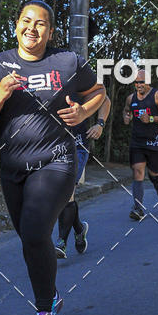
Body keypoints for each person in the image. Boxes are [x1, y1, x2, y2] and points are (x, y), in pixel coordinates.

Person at [0, 0, 106, 315]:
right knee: (32, 240)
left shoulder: (67, 62)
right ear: (16, 24)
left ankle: (44, 312)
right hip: (13, 167)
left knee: (34, 230)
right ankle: (52, 293)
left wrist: (83, 110)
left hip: (57, 160)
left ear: (51, 30)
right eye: (26, 21)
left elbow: (100, 92)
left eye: (41, 23)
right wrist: (1, 93)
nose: (32, 28)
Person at [55, 95, 112, 259]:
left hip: (78, 146)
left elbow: (105, 100)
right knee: (61, 195)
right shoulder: (46, 78)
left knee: (67, 192)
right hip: (55, 147)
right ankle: (79, 229)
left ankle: (61, 243)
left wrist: (100, 124)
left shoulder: (80, 78)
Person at [122, 71, 158, 220]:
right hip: (137, 141)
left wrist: (151, 118)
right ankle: (138, 208)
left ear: (148, 82)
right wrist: (126, 116)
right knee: (138, 172)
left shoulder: (157, 96)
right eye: (136, 83)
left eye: (141, 82)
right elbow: (126, 111)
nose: (139, 85)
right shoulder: (131, 98)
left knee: (154, 174)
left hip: (154, 141)